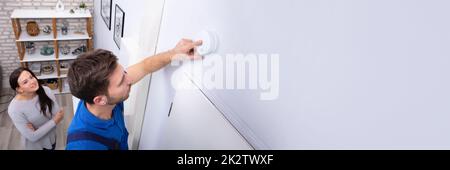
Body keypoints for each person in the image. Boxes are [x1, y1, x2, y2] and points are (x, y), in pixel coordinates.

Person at [66, 39, 202, 150]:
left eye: (124, 72)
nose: (129, 79)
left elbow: (145, 66)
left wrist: (174, 53)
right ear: (100, 100)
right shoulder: (83, 145)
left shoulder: (108, 96)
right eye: (121, 82)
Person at [8, 67, 64, 150]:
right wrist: (54, 121)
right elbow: (32, 137)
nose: (32, 81)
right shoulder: (14, 109)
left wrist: (38, 129)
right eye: (25, 82)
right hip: (35, 146)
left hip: (52, 137)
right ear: (19, 89)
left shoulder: (46, 90)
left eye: (31, 77)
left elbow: (58, 114)